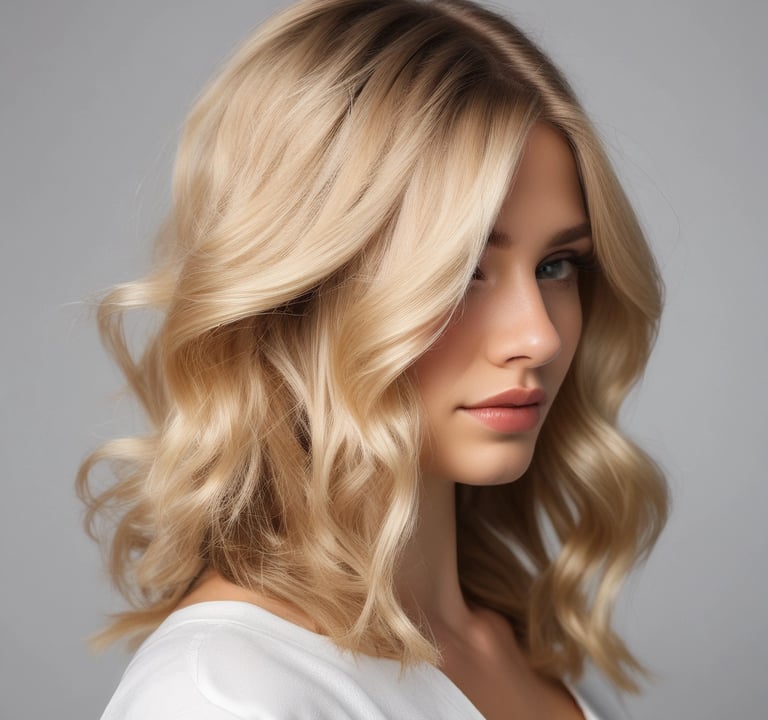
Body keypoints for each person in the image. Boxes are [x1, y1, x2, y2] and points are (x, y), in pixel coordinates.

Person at [78, 1, 668, 718]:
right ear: (302, 289)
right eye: (459, 271)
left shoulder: (520, 646)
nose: (539, 338)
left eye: (558, 266)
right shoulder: (223, 694)